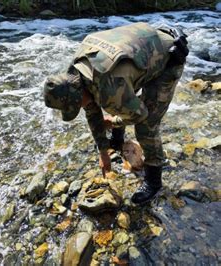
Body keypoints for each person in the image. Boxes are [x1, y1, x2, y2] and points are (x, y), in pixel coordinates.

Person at [43, 22, 188, 204]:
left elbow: (139, 115)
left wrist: (114, 121)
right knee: (117, 98)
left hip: (169, 58)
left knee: (146, 126)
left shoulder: (108, 88)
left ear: (79, 93)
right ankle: (117, 140)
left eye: (77, 105)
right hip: (143, 49)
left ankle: (154, 180)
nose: (80, 108)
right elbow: (91, 109)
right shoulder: (75, 72)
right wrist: (103, 152)